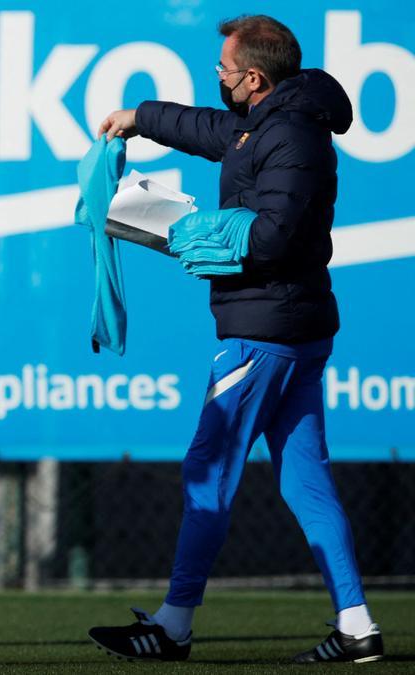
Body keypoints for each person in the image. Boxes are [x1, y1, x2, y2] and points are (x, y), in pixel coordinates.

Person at [87, 15, 381, 664]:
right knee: (305, 482)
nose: (216, 80)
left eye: (223, 71)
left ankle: (174, 624)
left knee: (208, 472)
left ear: (253, 77)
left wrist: (193, 231)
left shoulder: (292, 133)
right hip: (289, 329)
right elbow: (210, 130)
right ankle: (357, 624)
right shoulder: (269, 120)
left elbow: (275, 233)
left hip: (263, 332)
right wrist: (139, 116)